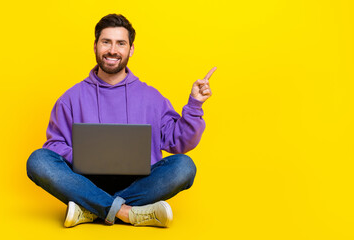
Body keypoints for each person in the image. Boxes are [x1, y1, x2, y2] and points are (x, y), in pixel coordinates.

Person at [26, 13, 216, 228]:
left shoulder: (151, 97)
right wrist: (86, 155)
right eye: (106, 42)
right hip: (85, 182)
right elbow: (54, 146)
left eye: (120, 43)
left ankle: (92, 209)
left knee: (184, 166)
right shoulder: (70, 98)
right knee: (38, 160)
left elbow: (180, 143)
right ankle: (127, 212)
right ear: (95, 46)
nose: (113, 50)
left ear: (131, 49)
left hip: (140, 183)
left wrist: (194, 105)